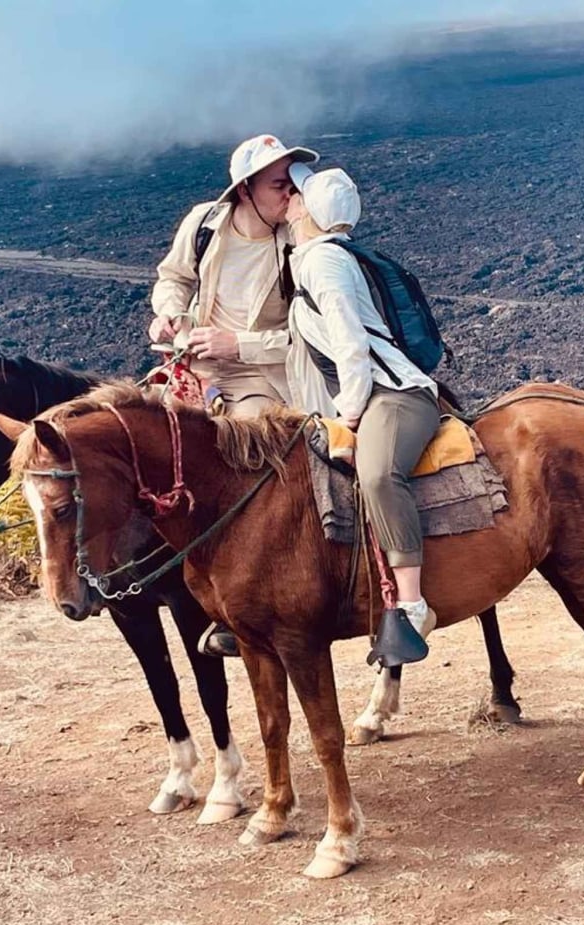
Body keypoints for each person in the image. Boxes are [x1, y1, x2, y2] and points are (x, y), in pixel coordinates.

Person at [283, 165, 441, 663]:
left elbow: (350, 345)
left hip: (393, 397)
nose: (288, 200)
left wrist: (348, 414)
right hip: (372, 395)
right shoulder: (318, 256)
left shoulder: (323, 262)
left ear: (307, 210)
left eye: (295, 194)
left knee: (377, 475)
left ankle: (412, 604)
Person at [149, 134, 319, 418]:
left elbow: (313, 336)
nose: (291, 193)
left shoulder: (302, 244)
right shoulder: (205, 223)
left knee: (245, 443)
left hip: (258, 377)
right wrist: (170, 313)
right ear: (244, 190)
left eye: (293, 183)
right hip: (191, 364)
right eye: (279, 185)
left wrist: (238, 345)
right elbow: (173, 278)